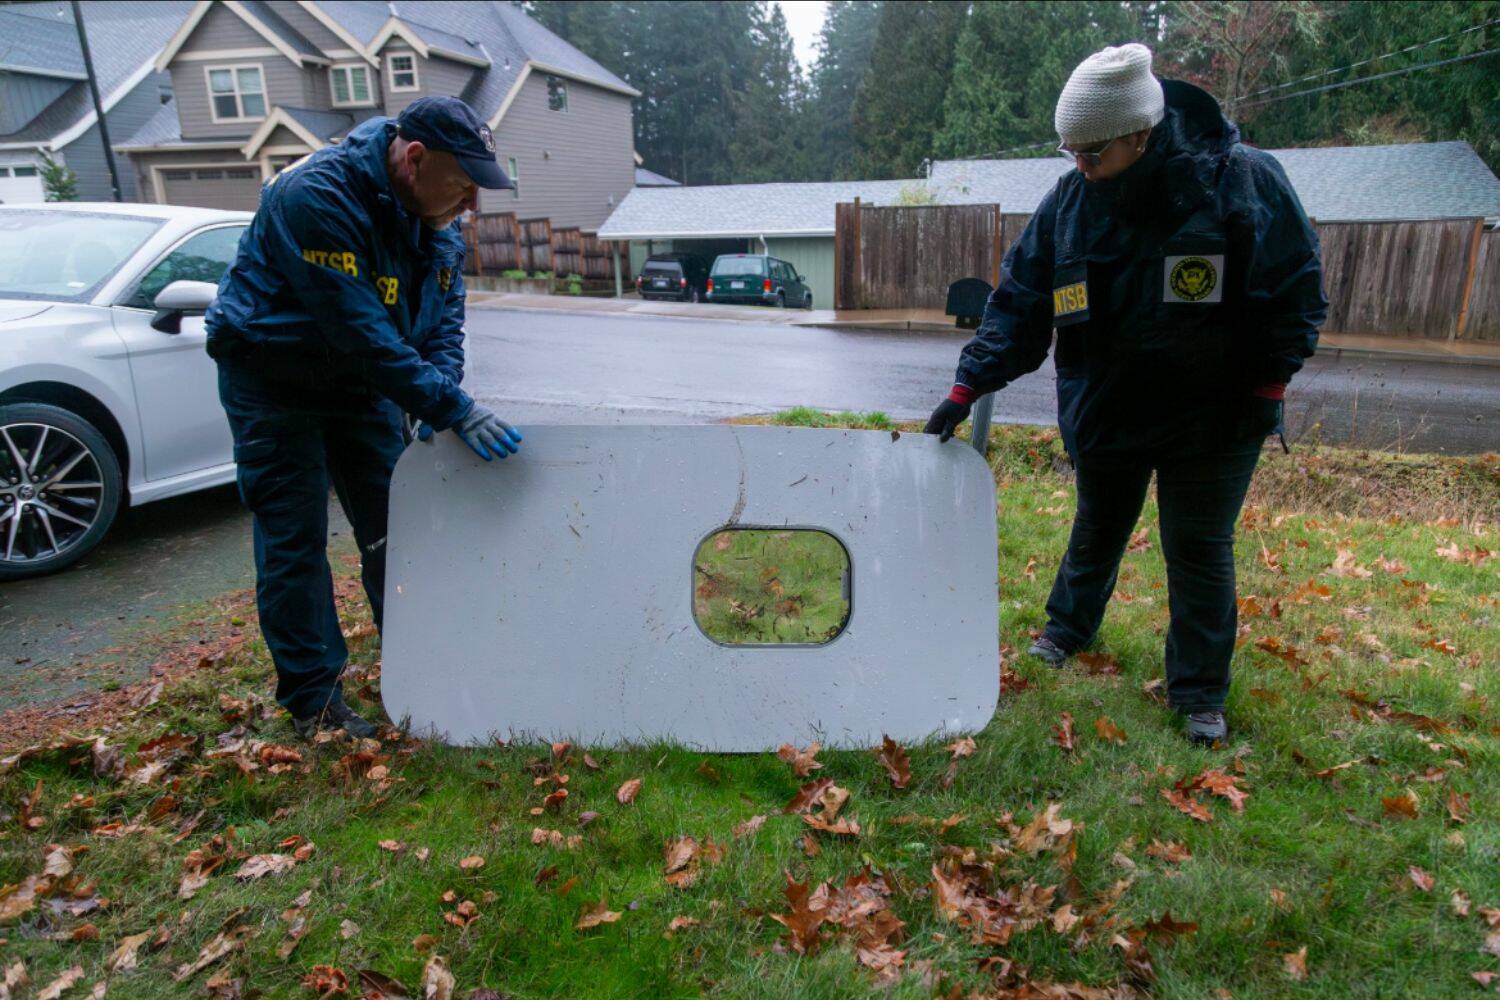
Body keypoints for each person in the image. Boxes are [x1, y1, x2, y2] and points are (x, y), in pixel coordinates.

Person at [925, 44, 1326, 745]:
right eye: (1069, 152)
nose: (1079, 167)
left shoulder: (1240, 182)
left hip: (1215, 415)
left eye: (1093, 152)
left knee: (1198, 546)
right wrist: (969, 384)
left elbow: (1294, 292)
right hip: (1108, 407)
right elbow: (1021, 302)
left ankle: (1199, 693)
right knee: (1098, 526)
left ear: (1140, 134)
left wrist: (1268, 382)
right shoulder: (1070, 204)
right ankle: (1066, 630)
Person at [205, 97, 524, 740]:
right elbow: (360, 330)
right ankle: (315, 702)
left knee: (397, 532)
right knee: (295, 539)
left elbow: (442, 325)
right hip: (274, 378)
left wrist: (442, 395)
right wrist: (451, 407)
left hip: (362, 384)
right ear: (414, 159)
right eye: (463, 186)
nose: (471, 207)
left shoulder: (435, 223)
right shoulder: (315, 196)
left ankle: (419, 666)